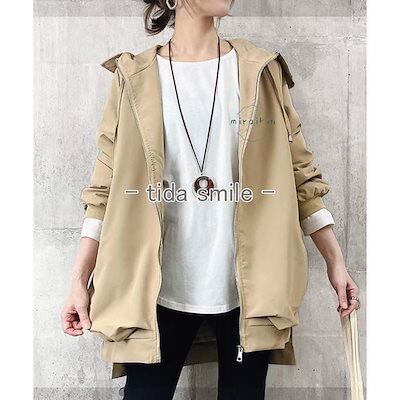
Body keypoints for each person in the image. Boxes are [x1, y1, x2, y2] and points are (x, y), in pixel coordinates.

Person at [61, 1, 360, 399]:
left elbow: (301, 176)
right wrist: (79, 280)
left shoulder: (260, 71)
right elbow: (104, 190)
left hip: (248, 293)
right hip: (154, 292)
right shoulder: (134, 77)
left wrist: (335, 263)